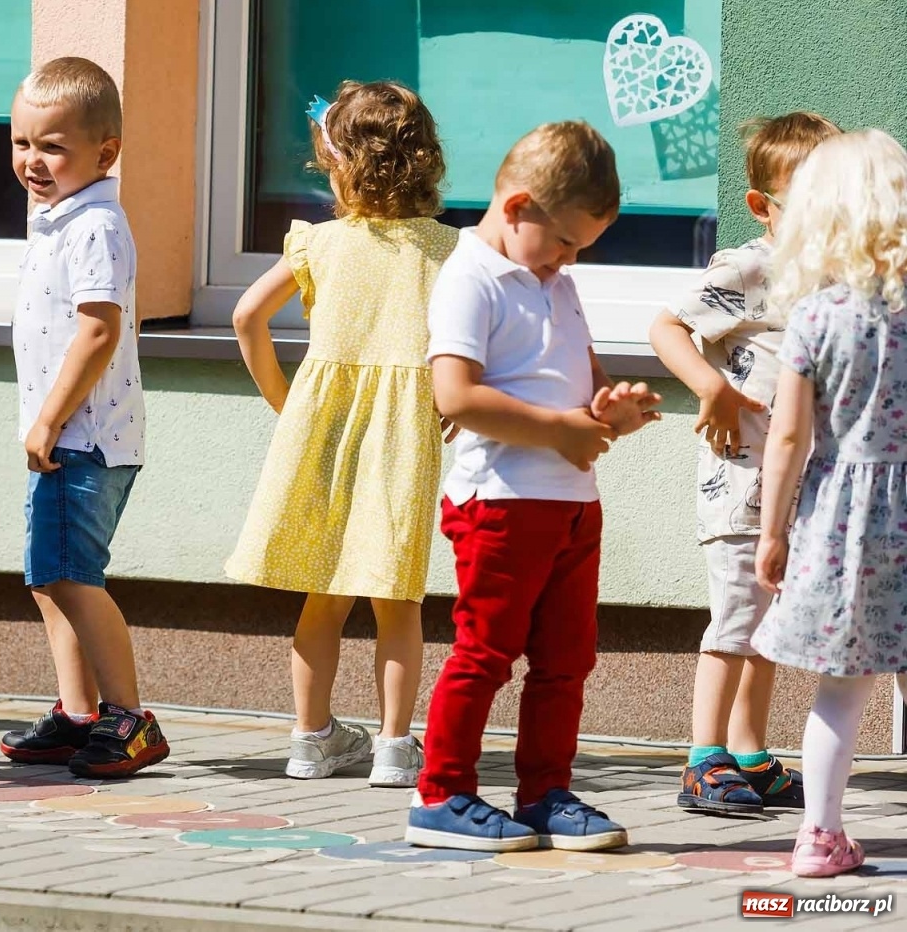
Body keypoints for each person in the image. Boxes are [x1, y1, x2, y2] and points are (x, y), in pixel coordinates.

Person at [406, 122, 662, 852]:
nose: (570, 259)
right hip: (500, 503)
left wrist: (611, 408)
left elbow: (585, 380)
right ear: (518, 208)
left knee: (566, 661)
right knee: (485, 652)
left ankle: (545, 793)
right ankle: (441, 795)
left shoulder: (558, 283)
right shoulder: (469, 279)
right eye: (565, 242)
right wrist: (559, 431)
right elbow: (455, 395)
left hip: (572, 504)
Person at [227, 81, 456, 786]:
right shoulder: (449, 250)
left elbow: (245, 317)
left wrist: (286, 401)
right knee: (397, 598)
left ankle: (310, 739)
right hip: (405, 434)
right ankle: (393, 746)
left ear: (338, 164)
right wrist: (461, 398)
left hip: (322, 429)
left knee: (322, 591)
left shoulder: (319, 244)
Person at [651, 112, 839, 817]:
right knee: (734, 620)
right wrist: (711, 388)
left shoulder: (835, 274)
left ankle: (749, 754)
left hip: (796, 484)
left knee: (769, 624)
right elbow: (666, 326)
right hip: (740, 476)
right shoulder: (749, 267)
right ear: (763, 206)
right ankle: (703, 758)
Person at [0, 56, 169, 778]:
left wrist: (49, 421)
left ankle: (129, 718)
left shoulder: (94, 225)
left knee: (73, 576)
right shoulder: (58, 221)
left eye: (53, 146)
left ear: (105, 152)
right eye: (21, 142)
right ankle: (78, 714)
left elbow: (99, 331)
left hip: (84, 438)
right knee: (50, 576)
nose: (32, 160)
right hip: (64, 436)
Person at [753, 129, 907, 877]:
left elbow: (787, 437)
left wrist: (772, 532)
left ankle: (818, 835)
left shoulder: (815, 317)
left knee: (841, 690)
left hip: (842, 526)